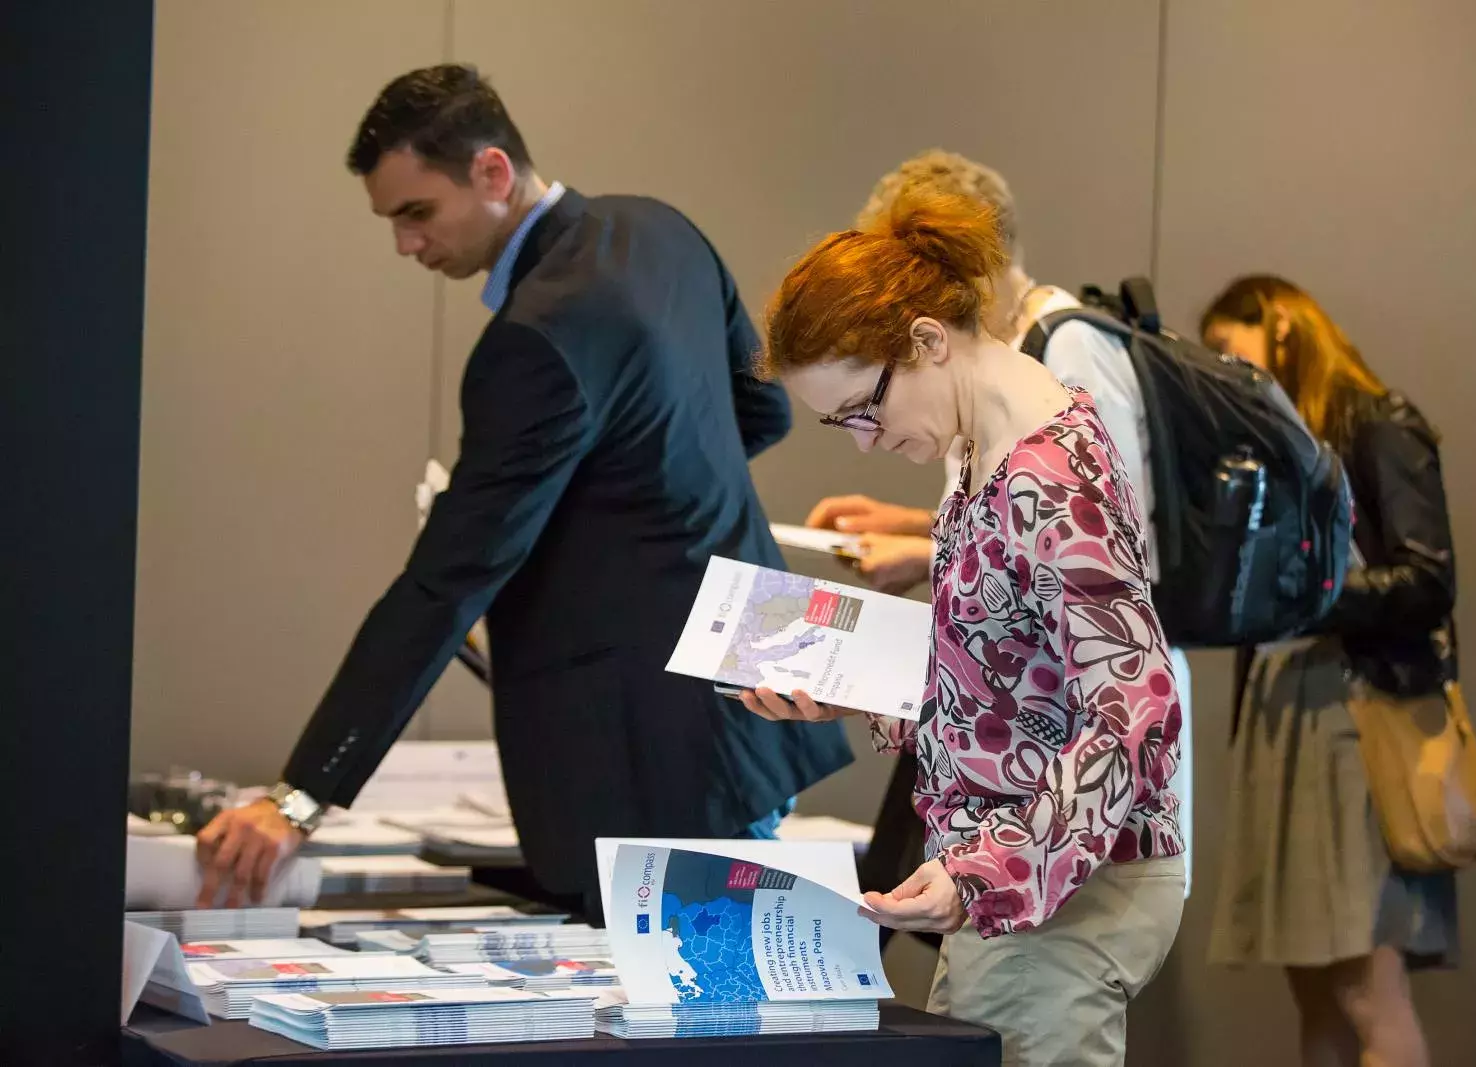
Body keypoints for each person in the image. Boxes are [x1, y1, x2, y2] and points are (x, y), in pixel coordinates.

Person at [195, 64, 852, 920]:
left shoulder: (534, 338)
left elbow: (443, 583)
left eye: (416, 212)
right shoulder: (660, 231)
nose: (404, 244)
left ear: (493, 173)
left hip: (655, 751)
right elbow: (759, 412)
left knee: (689, 1036)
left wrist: (299, 799)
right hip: (760, 685)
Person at [744, 189, 1186, 1067]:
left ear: (927, 341)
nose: (864, 443)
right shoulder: (980, 446)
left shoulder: (1046, 478)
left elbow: (1136, 713)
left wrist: (993, 869)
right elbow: (1005, 685)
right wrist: (847, 690)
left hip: (1064, 888)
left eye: (863, 410)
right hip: (1016, 882)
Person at [807, 150, 1194, 893]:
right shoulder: (995, 384)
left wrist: (999, 871)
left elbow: (1099, 560)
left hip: (1064, 817)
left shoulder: (1058, 365)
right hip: (1005, 803)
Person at [1202, 275, 1458, 1067]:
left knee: (1364, 989)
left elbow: (1427, 580)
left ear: (1279, 324)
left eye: (1228, 347)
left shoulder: (1379, 424)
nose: (1225, 369)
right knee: (1312, 987)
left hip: (1356, 720)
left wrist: (1311, 596)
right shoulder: (1281, 444)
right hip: (1289, 715)